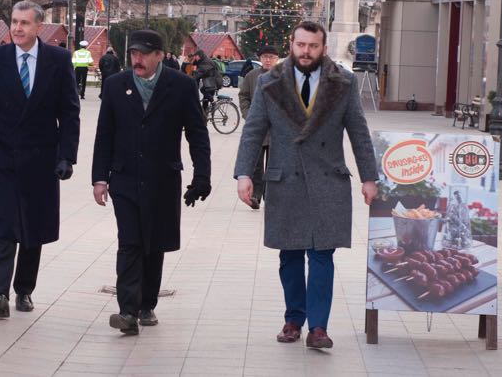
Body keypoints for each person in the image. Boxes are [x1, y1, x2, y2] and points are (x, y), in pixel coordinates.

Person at [234, 21, 377, 350]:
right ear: (291, 44)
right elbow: (254, 130)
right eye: (301, 45)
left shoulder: (344, 83)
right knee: (290, 255)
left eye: (313, 46)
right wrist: (244, 174)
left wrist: (369, 177)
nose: (306, 51)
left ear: (323, 48)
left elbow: (358, 130)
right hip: (286, 180)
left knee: (323, 255)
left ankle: (319, 328)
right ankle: (293, 320)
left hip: (329, 181)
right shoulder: (270, 82)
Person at [92, 29, 211, 335]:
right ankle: (127, 311)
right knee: (130, 241)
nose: (137, 59)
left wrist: (202, 176)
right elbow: (104, 134)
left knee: (154, 243)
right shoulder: (117, 85)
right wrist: (99, 179)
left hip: (162, 177)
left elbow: (197, 133)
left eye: (144, 53)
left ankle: (147, 305)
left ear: (160, 55)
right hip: (125, 178)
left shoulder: (181, 86)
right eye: (133, 53)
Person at [0, 1, 80, 317]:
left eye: (24, 23)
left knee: (33, 227)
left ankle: (24, 290)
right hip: (4, 155)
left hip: (42, 158)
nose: (17, 28)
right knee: (4, 224)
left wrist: (67, 157)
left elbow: (69, 112)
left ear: (38, 27)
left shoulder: (58, 60)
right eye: (14, 22)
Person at [237, 45, 280, 210]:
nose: (268, 60)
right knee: (255, 164)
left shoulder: (284, 77)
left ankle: (271, 196)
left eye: (271, 57)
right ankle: (255, 195)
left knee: (273, 164)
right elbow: (243, 96)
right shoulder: (252, 76)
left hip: (276, 130)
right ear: (260, 59)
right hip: (257, 130)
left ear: (277, 59)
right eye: (265, 57)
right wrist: (249, 116)